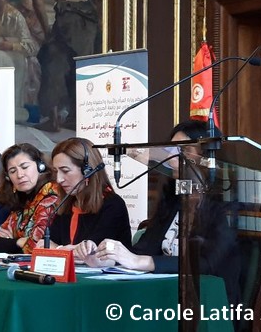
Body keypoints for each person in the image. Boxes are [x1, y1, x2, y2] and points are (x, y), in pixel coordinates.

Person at [93, 120, 241, 304]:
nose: (172, 158)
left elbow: (208, 264)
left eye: (182, 149)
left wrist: (144, 262)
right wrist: (110, 257)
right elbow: (143, 249)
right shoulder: (173, 200)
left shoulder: (225, 205)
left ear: (208, 155)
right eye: (170, 150)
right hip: (166, 293)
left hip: (209, 300)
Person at [9, 0, 99, 131]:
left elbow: (37, 2)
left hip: (71, 14)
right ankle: (74, 116)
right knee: (79, 65)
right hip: (87, 12)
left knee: (52, 62)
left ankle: (53, 117)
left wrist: (47, 31)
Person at [42, 138, 131, 262]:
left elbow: (92, 253)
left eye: (65, 171)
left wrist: (59, 249)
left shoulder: (113, 205)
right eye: (56, 171)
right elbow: (43, 245)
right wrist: (67, 250)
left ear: (87, 171)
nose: (59, 179)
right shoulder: (67, 204)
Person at [0, 143, 60, 254]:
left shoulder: (50, 192)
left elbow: (36, 245)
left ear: (40, 166)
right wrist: (19, 242)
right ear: (8, 177)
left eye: (25, 167)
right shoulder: (22, 198)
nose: (20, 175)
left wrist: (12, 242)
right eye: (13, 171)